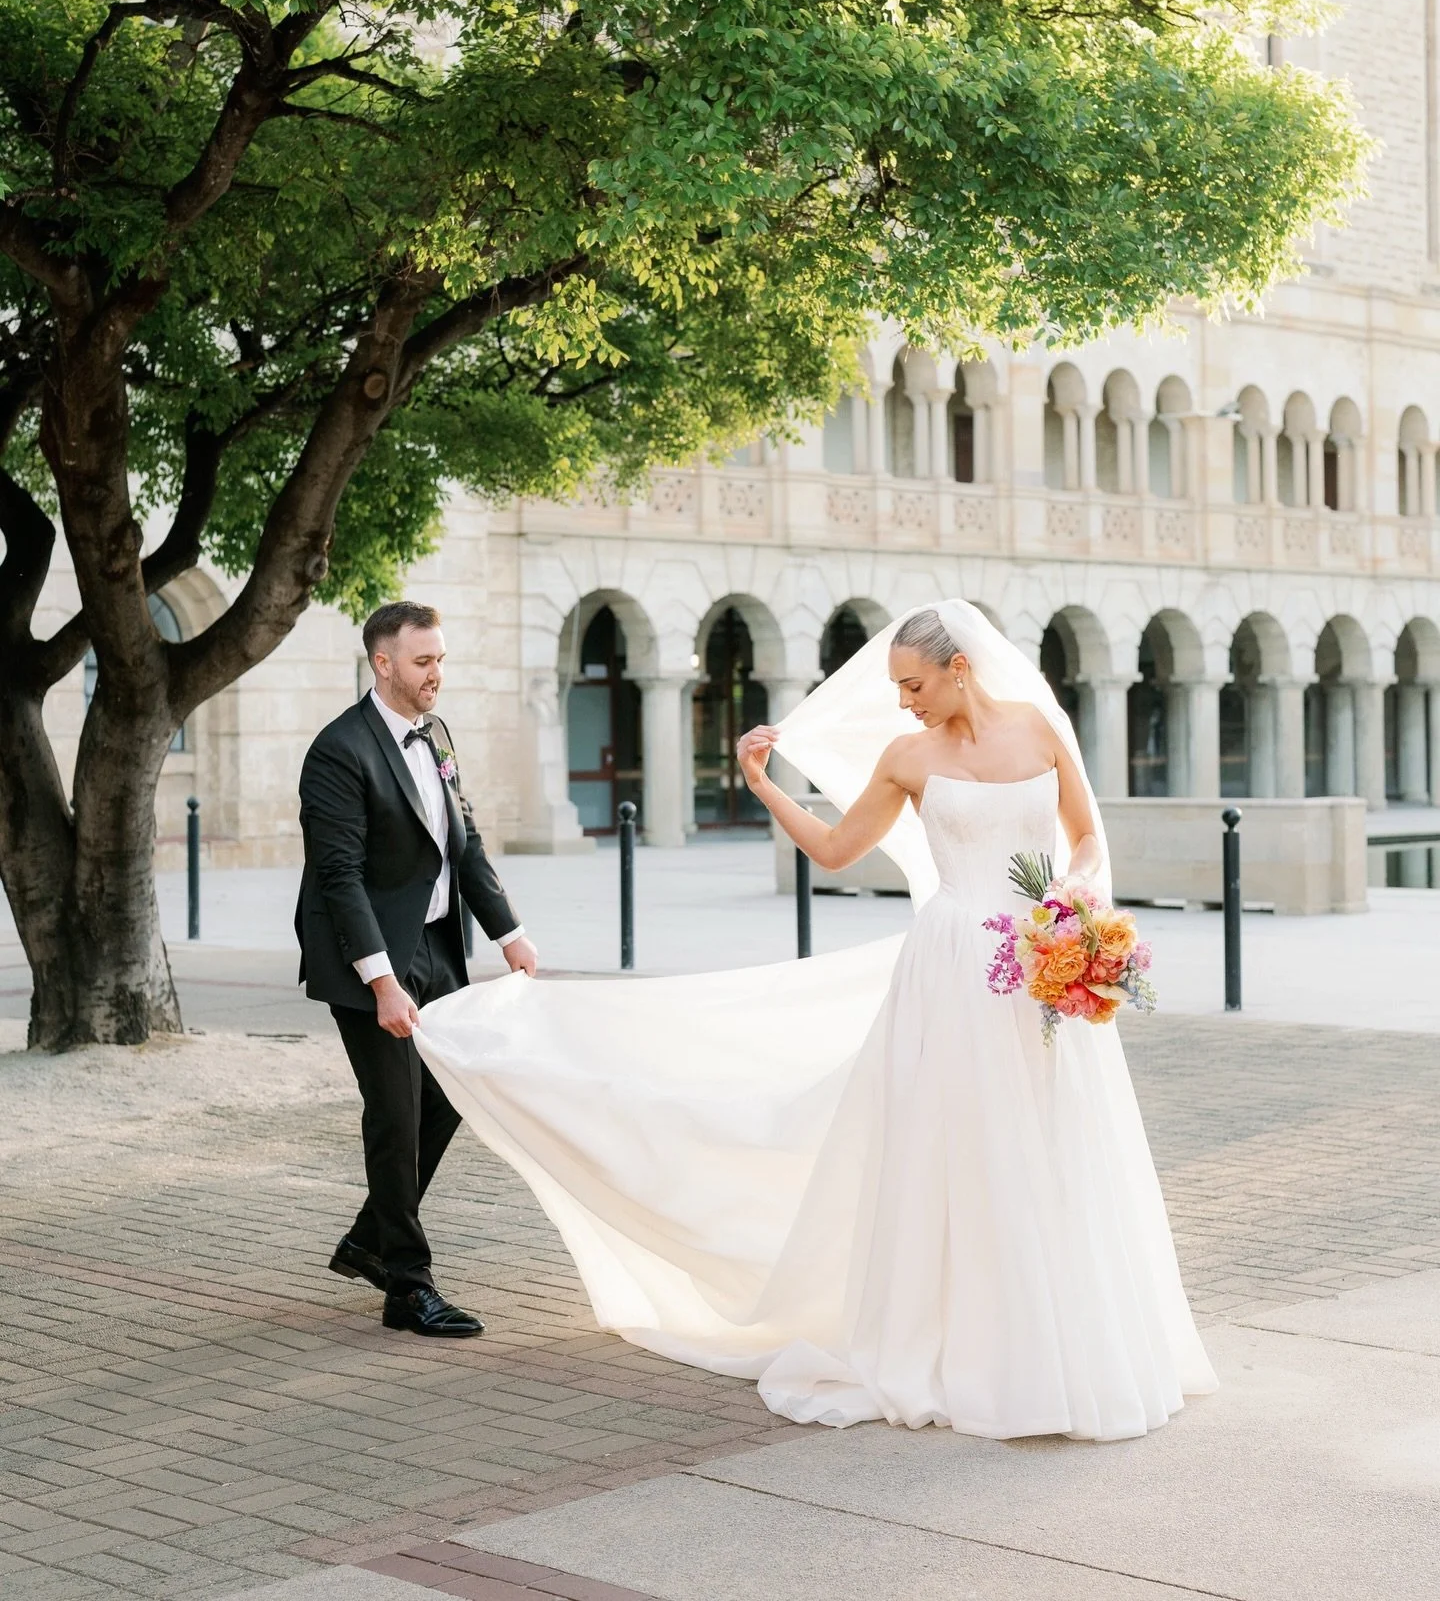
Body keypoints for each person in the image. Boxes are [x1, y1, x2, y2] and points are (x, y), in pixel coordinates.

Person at [413, 600, 1217, 1436]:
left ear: (961, 668)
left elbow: (1086, 839)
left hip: (1039, 966)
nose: (903, 701)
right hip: (947, 972)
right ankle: (965, 1347)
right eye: (896, 687)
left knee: (1049, 1147)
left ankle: (1064, 1343)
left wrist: (1072, 904)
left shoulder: (1041, 731)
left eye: (913, 684)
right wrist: (764, 787)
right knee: (955, 1150)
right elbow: (837, 851)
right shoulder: (907, 758)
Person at [296, 600, 537, 1337]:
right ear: (384, 664)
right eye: (424, 661)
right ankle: (407, 1285)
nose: (437, 673)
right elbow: (339, 878)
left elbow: (465, 842)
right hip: (368, 960)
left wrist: (511, 935)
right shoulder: (338, 751)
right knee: (396, 1118)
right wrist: (381, 983)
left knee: (450, 1096)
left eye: (441, 659)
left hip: (437, 947)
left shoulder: (436, 735)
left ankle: (370, 1238)